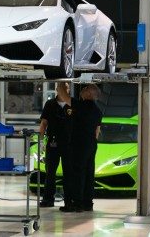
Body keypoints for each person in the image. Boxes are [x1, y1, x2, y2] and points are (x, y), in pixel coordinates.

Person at [57, 83, 103, 212]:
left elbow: (62, 94)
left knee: (77, 173)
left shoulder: (79, 105)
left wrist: (61, 79)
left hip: (79, 144)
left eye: (85, 88)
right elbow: (97, 132)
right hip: (91, 144)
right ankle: (87, 203)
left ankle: (76, 204)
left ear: (89, 94)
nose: (82, 89)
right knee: (89, 173)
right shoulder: (98, 111)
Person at [39, 83, 73, 208]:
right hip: (53, 142)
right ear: (57, 89)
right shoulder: (50, 104)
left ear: (68, 90)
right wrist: (41, 140)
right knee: (50, 172)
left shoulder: (73, 104)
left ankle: (69, 201)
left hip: (69, 144)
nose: (64, 90)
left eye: (66, 88)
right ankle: (48, 199)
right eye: (61, 88)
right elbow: (43, 123)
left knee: (69, 172)